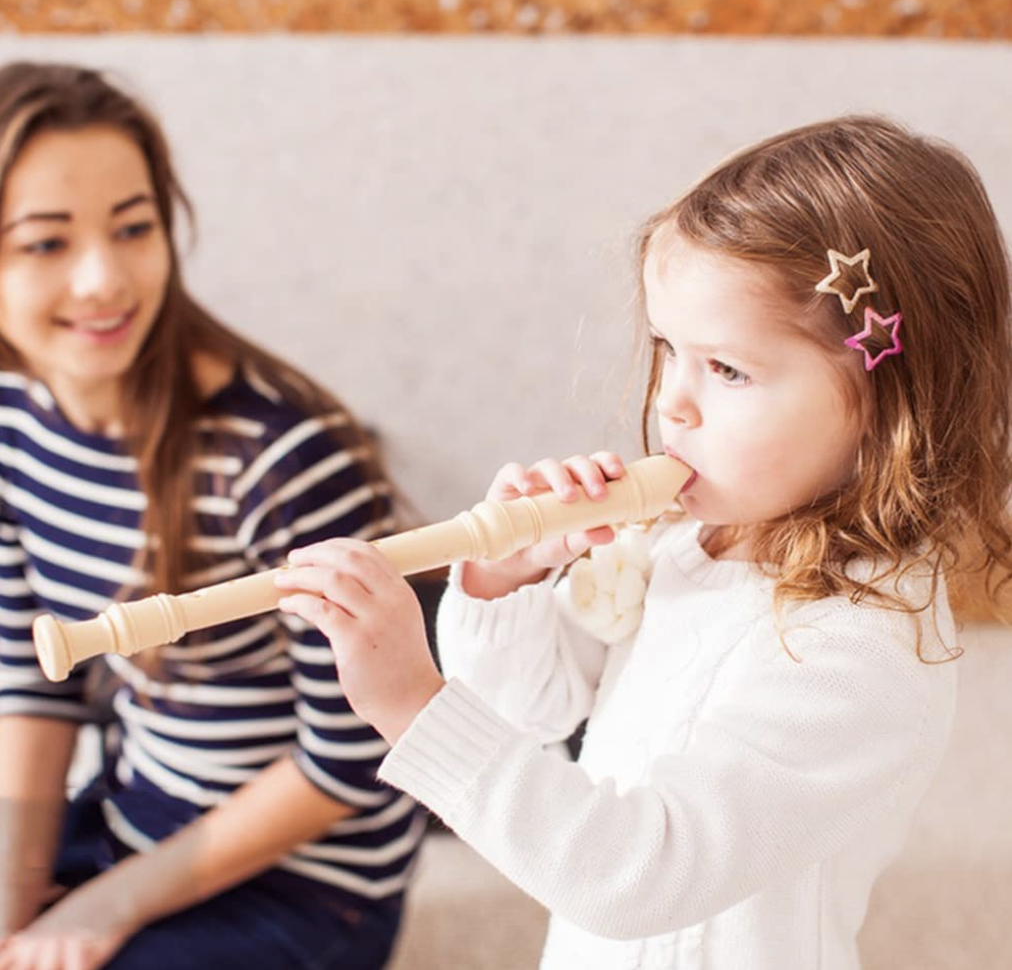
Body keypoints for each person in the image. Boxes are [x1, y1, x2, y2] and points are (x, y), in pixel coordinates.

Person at [275, 114, 1012, 970]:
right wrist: (505, 584)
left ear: (891, 408)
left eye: (727, 369)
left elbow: (636, 876)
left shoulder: (863, 646)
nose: (673, 403)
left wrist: (410, 703)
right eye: (668, 349)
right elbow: (526, 713)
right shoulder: (687, 545)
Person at [0, 62, 422, 970]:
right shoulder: (12, 425)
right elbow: (34, 685)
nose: (103, 279)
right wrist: (15, 901)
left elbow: (352, 759)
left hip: (314, 882)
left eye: (133, 228)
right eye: (45, 243)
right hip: (139, 816)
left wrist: (105, 908)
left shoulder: (279, 456)